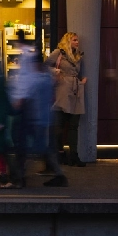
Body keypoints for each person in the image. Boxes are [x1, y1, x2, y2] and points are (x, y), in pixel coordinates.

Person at [5, 50, 67, 188]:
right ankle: (59, 175)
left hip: (39, 120)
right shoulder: (46, 77)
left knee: (33, 149)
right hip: (46, 118)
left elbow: (26, 98)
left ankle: (20, 178)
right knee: (44, 149)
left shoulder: (38, 80)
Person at [48, 32, 87, 167]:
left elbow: (77, 72)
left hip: (76, 90)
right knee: (59, 126)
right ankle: (59, 154)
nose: (77, 42)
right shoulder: (59, 53)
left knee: (74, 125)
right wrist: (56, 72)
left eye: (77, 40)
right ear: (68, 41)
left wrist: (81, 81)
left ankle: (74, 155)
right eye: (74, 40)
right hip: (63, 90)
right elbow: (45, 66)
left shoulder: (78, 55)